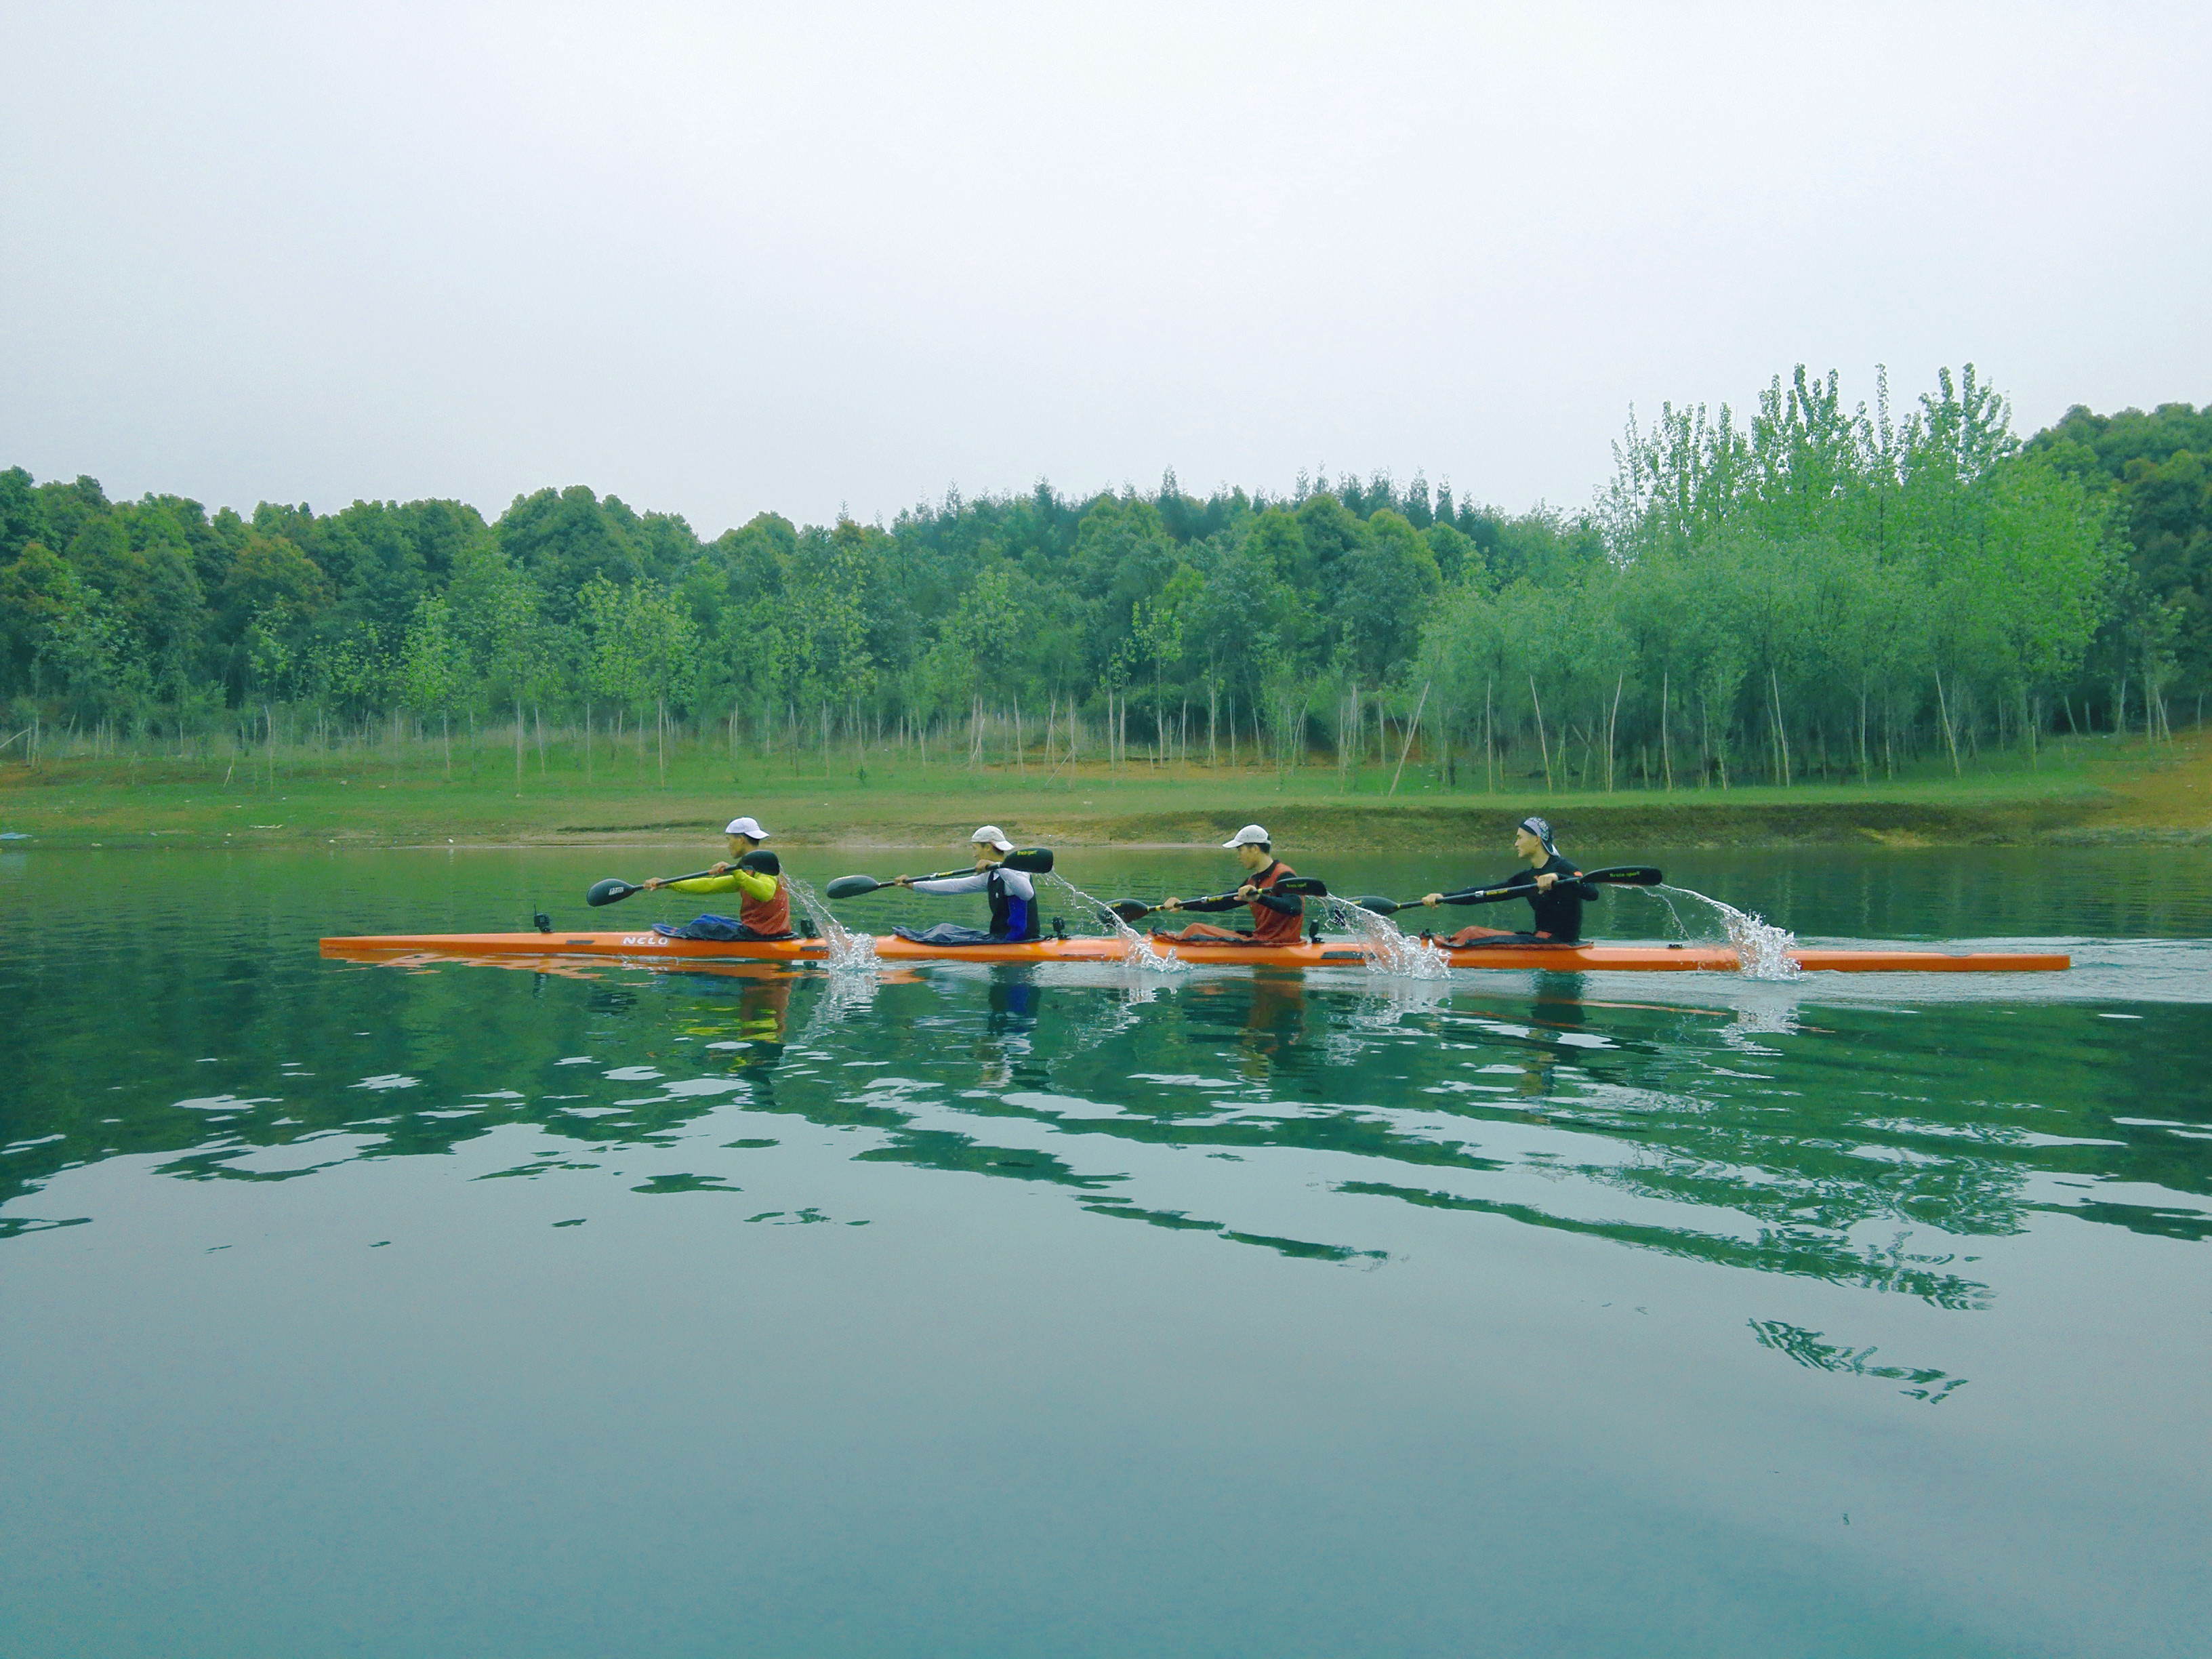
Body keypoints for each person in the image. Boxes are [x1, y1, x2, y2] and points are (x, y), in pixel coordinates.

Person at [1419, 815, 1596, 947]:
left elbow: (1592, 892)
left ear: (1536, 840)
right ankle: (1439, 942)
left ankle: (1438, 946)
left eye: (1520, 837)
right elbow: (1483, 894)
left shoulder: (1564, 867)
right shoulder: (1526, 878)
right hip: (1539, 941)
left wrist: (1559, 878)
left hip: (1559, 944)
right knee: (1471, 932)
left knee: (1472, 933)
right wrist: (1443, 897)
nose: (1516, 844)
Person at [644, 815, 794, 940]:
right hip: (759, 932)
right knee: (707, 919)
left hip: (762, 936)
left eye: (729, 840)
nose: (728, 845)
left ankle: (675, 940)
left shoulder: (764, 866)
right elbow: (709, 885)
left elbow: (765, 893)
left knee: (700, 925)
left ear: (741, 839)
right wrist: (668, 884)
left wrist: (735, 872)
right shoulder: (748, 871)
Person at [1152, 824, 1304, 946]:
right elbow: (1222, 903)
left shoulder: (1284, 875)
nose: (1239, 856)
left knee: (1195, 930)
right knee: (1195, 929)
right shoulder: (1253, 881)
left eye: (1240, 850)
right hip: (1262, 939)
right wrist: (1184, 905)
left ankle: (1170, 944)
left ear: (1255, 849)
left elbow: (1295, 907)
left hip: (1277, 943)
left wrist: (1259, 897)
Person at [891, 826, 1042, 945]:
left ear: (988, 847)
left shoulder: (1016, 871)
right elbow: (954, 886)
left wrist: (999, 867)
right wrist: (913, 885)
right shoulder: (991, 875)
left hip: (1018, 941)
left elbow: (1027, 893)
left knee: (942, 935)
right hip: (1000, 939)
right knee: (943, 929)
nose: (974, 855)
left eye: (975, 848)